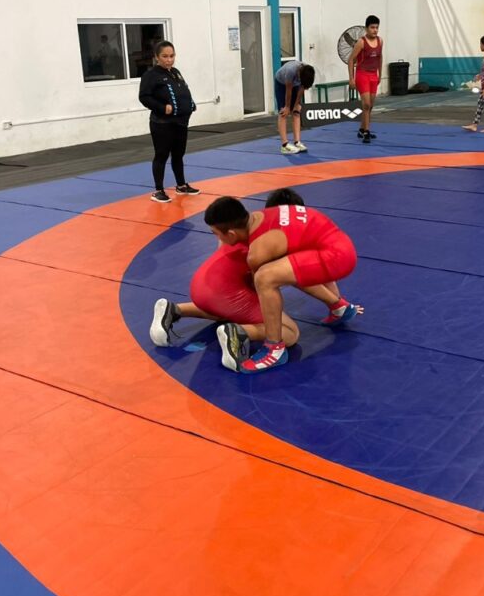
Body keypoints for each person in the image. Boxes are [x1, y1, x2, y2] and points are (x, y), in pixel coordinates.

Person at [150, 189, 306, 372]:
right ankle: (240, 333)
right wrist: (336, 303)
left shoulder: (247, 224)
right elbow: (299, 279)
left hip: (203, 283)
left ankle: (175, 309)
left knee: (227, 308)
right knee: (290, 333)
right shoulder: (275, 241)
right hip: (227, 293)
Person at [204, 193, 361, 373]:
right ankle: (339, 307)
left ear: (231, 234)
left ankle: (274, 349)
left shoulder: (259, 251)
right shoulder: (259, 216)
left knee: (265, 278)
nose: (218, 239)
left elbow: (259, 289)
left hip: (337, 257)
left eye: (216, 234)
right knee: (283, 269)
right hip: (338, 244)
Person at [138, 40, 199, 203]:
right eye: (165, 56)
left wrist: (190, 103)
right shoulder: (151, 75)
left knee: (178, 154)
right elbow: (144, 97)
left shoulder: (175, 72)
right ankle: (158, 190)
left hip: (180, 122)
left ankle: (181, 185)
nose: (169, 60)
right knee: (162, 155)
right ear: (157, 57)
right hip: (162, 123)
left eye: (171, 56)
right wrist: (161, 107)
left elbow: (182, 89)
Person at [348, 15, 383, 143]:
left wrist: (380, 73)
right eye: (372, 27)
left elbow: (380, 57)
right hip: (362, 75)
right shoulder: (361, 42)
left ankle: (362, 129)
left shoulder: (380, 41)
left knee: (370, 105)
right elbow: (351, 60)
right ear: (367, 28)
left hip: (374, 75)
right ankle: (367, 132)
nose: (375, 30)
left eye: (377, 28)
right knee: (366, 104)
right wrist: (351, 78)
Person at [274, 60, 316, 154]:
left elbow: (301, 89)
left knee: (297, 111)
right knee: (283, 112)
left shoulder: (307, 72)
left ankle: (297, 142)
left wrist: (296, 104)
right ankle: (284, 145)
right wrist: (288, 107)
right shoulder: (290, 71)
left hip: (295, 83)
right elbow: (288, 91)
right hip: (281, 83)